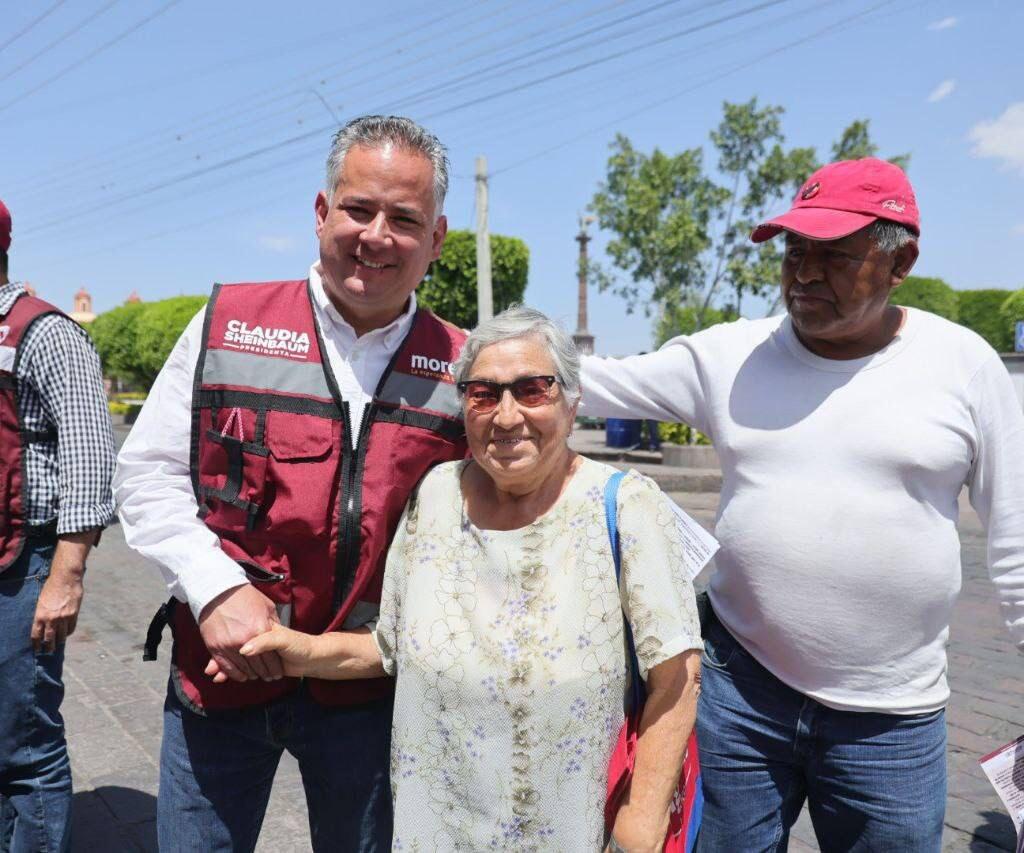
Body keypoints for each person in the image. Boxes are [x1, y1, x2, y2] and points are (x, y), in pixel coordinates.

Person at [579, 157, 1024, 851]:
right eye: (795, 251)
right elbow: (582, 380)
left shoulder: (963, 366)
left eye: (836, 256)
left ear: (900, 260)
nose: (805, 273)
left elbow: (1016, 541)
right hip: (739, 697)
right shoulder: (730, 356)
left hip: (893, 721)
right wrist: (436, 348)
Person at [113, 116, 469, 852]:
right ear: (320, 213)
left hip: (368, 699)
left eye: (405, 219)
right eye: (359, 209)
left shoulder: (465, 368)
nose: (376, 235)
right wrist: (214, 587)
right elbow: (147, 474)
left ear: (436, 239)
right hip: (221, 678)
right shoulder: (227, 326)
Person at [226, 306, 705, 851]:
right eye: (483, 393)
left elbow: (677, 674)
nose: (505, 416)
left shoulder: (626, 506)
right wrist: (300, 651)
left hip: (570, 829)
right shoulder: (435, 494)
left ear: (571, 404)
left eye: (532, 390)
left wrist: (641, 821)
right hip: (437, 828)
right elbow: (391, 644)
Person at [0, 198, 116, 851]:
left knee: (26, 744)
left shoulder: (44, 333)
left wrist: (66, 576)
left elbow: (91, 456)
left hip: (27, 565)